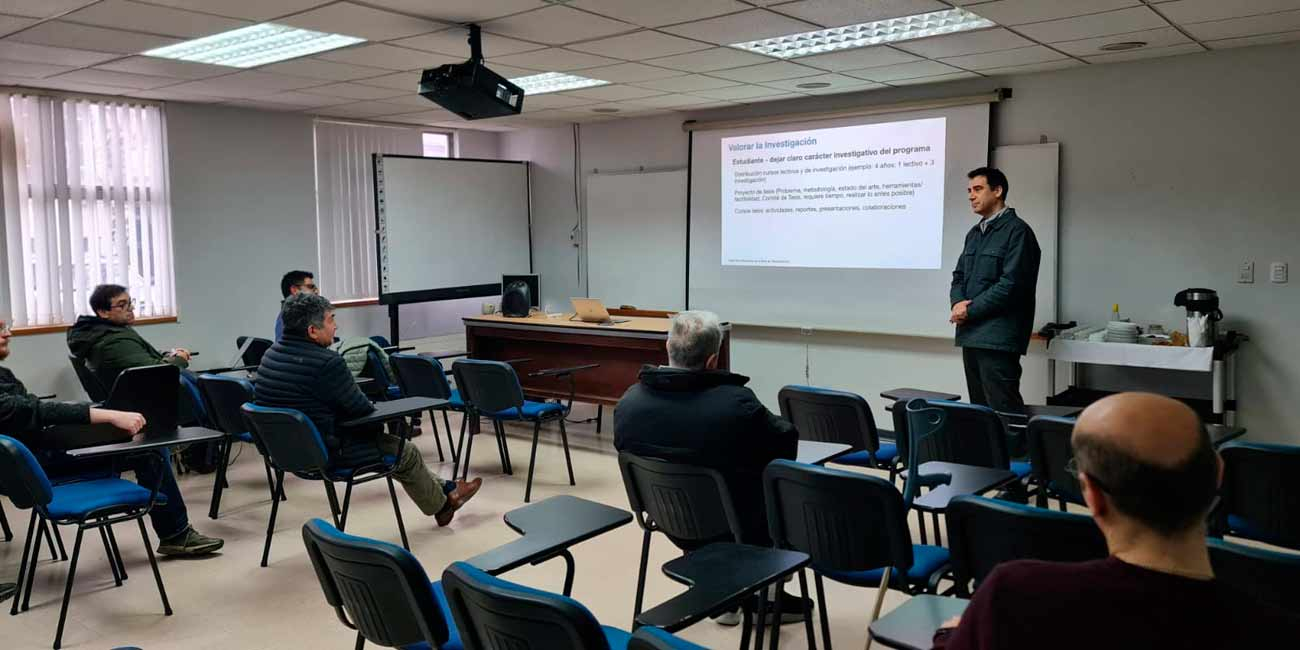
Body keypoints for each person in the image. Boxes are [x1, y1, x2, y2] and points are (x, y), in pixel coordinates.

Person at [933, 393, 1300, 649]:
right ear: (1219, 473)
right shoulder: (1277, 631)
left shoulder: (1015, 595)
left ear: (1090, 494)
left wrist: (953, 637)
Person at [614, 310, 802, 623]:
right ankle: (757, 592)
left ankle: (727, 595)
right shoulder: (736, 405)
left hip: (668, 519)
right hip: (738, 527)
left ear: (668, 348)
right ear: (713, 360)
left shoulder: (629, 403)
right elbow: (785, 444)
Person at [0, 317, 223, 559]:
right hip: (30, 467)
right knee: (146, 449)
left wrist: (95, 418)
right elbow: (26, 410)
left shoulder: (3, 373)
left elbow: (29, 408)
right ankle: (176, 534)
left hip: (33, 453)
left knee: (135, 438)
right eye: (0, 329)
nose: (8, 334)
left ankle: (175, 533)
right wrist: (102, 415)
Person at [254, 292, 480, 526]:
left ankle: (448, 487)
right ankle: (444, 505)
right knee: (405, 451)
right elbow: (361, 410)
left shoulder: (270, 356)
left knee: (393, 449)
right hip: (327, 455)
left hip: (284, 453)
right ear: (312, 330)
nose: (336, 326)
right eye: (331, 319)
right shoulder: (328, 362)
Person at [949, 167, 1041, 416]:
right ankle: (987, 457)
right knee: (980, 414)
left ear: (998, 191)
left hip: (998, 339)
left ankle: (1017, 456)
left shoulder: (1018, 232)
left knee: (1004, 413)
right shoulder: (974, 234)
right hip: (971, 334)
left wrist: (968, 310)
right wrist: (957, 303)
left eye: (978, 189)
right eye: (969, 190)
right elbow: (958, 277)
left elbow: (1011, 286)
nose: (971, 196)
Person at [66, 284, 193, 390]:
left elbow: (138, 355)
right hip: (152, 401)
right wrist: (180, 359)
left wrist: (169, 354)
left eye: (130, 302)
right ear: (103, 312)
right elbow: (158, 371)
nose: (131, 308)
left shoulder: (105, 332)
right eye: (122, 305)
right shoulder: (114, 342)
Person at [275, 270, 317, 341]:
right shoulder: (287, 319)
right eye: (310, 287)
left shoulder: (304, 315)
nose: (316, 291)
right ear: (294, 290)